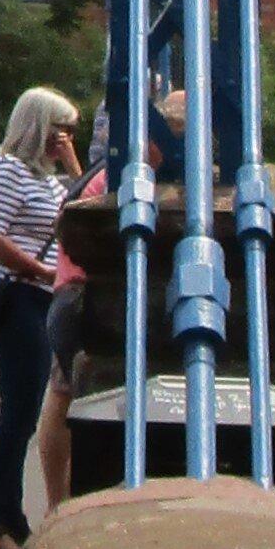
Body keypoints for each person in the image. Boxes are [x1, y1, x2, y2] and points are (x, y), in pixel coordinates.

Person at [35, 88, 184, 515]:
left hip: (68, 294)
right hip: (85, 297)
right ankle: (67, 508)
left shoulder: (110, 173)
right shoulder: (131, 180)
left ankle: (57, 508)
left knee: (64, 396)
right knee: (82, 402)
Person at [0, 84, 83, 549]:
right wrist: (43, 271)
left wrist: (73, 165)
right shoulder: (9, 171)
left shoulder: (51, 180)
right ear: (38, 127)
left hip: (39, 301)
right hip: (15, 298)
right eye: (60, 129)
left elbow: (87, 203)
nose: (66, 138)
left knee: (25, 412)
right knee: (18, 414)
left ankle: (6, 516)